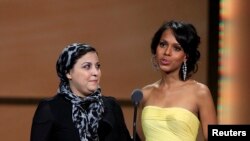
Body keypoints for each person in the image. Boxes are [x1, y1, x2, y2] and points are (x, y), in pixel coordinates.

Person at [30, 43, 132, 141]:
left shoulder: (111, 106)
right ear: (68, 73)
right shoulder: (50, 108)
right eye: (87, 66)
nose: (95, 72)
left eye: (97, 66)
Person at [137, 21, 217, 141]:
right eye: (163, 44)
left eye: (176, 48)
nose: (167, 52)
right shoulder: (145, 93)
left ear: (186, 56)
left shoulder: (200, 93)